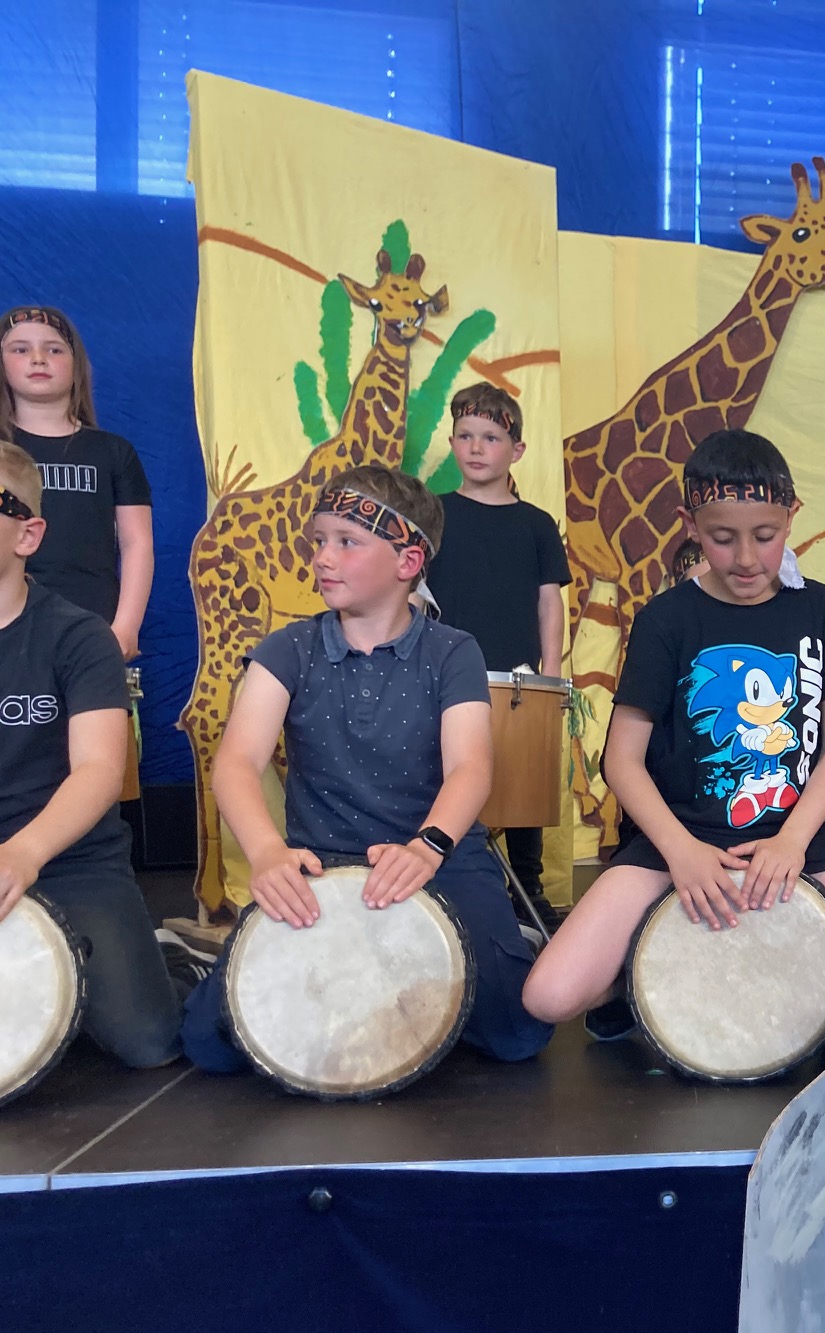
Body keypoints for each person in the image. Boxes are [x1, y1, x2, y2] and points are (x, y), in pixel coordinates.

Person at [520, 428, 825, 1030]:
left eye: (765, 536)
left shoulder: (822, 609)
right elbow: (621, 760)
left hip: (802, 832)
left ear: (791, 517)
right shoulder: (665, 619)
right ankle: (642, 975)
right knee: (548, 997)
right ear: (689, 525)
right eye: (723, 539)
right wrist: (681, 851)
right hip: (680, 835)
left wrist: (792, 842)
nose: (746, 558)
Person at [179, 466, 551, 1071]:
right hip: (322, 863)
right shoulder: (287, 649)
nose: (323, 557)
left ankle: (504, 943)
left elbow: (470, 768)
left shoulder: (453, 650)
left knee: (515, 1037)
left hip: (438, 857)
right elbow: (237, 763)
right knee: (211, 1045)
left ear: (408, 561)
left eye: (347, 542)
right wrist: (268, 854)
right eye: (319, 540)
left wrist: (428, 847)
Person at [0, 442, 181, 1067]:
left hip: (68, 859)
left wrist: (23, 853)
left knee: (149, 1044)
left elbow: (100, 771)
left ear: (28, 534)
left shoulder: (78, 637)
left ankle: (162, 961)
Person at [425, 384, 569, 929]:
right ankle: (446, 877)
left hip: (519, 678)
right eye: (465, 436)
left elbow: (549, 600)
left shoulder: (536, 523)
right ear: (452, 443)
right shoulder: (435, 515)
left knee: (522, 778)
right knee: (446, 777)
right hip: (444, 677)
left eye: (490, 437)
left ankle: (526, 885)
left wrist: (551, 675)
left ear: (517, 450)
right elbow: (414, 592)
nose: (476, 447)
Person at [0, 308, 153, 658]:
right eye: (20, 349)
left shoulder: (113, 451)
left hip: (92, 626)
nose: (38, 358)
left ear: (77, 364)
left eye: (54, 349)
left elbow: (137, 544)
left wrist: (126, 628)